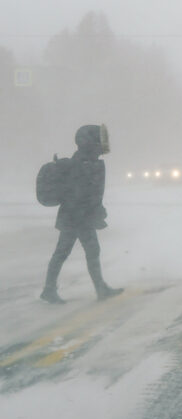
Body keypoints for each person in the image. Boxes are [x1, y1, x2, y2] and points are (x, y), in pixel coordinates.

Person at [40, 124, 123, 304]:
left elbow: (89, 193)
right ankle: (52, 289)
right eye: (99, 141)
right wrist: (91, 213)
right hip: (77, 217)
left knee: (71, 252)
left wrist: (96, 211)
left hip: (76, 217)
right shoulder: (82, 163)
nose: (102, 146)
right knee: (72, 252)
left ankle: (51, 289)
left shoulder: (85, 161)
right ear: (90, 143)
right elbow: (81, 194)